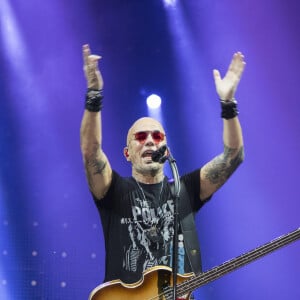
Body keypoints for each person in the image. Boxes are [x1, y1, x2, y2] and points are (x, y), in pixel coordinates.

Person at [80, 44, 245, 291]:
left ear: (166, 151)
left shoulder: (185, 189)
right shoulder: (114, 190)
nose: (149, 140)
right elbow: (91, 152)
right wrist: (94, 94)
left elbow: (233, 157)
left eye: (157, 137)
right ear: (127, 153)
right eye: (141, 136)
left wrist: (228, 103)